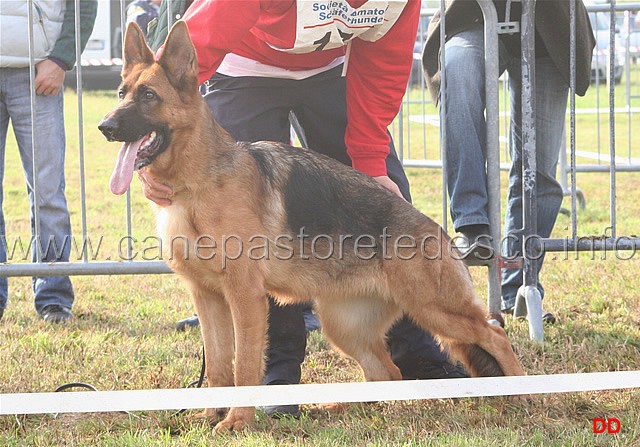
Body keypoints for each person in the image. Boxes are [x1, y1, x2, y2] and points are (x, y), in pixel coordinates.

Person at [142, 0, 467, 418]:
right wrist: (152, 144)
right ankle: (277, 377)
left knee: (389, 200)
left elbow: (383, 57)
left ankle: (419, 356)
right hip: (245, 65)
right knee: (250, 234)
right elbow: (192, 50)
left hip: (332, 72)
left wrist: (369, 160)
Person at [422, 1, 595, 320]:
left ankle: (519, 285)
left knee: (539, 169)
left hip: (551, 30)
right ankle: (473, 225)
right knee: (457, 69)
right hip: (471, 17)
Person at [0, 1, 98, 322]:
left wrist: (61, 58)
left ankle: (53, 296)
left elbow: (84, 5)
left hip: (38, 72)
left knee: (48, 193)